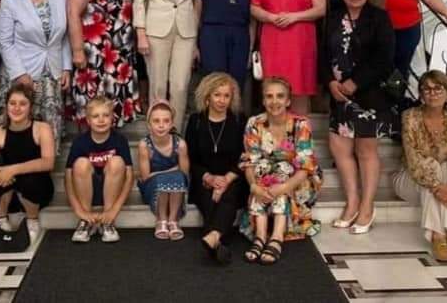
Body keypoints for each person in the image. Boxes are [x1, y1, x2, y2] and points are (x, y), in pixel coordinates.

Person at [320, 0, 395, 235]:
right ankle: (352, 203)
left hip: (368, 95)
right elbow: (322, 54)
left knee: (365, 152)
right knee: (340, 149)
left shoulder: (379, 18)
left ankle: (366, 206)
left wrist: (356, 82)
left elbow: (385, 58)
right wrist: (330, 82)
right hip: (338, 96)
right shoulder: (332, 18)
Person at [241, 77, 322, 264]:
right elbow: (250, 162)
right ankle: (261, 236)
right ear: (263, 100)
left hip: (299, 180)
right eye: (269, 96)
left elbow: (305, 167)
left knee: (281, 170)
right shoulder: (254, 123)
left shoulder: (301, 124)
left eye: (280, 96)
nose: (274, 101)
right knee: (264, 170)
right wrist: (253, 186)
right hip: (265, 178)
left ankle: (276, 236)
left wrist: (283, 187)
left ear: (288, 101)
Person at [0, 0, 71, 153]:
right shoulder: (10, 2)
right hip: (21, 73)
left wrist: (66, 67)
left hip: (51, 74)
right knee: (19, 127)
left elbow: (63, 37)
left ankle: (45, 166)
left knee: (48, 128)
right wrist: (20, 73)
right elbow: (5, 41)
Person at [392, 70, 447, 265]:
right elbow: (414, 159)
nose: (432, 93)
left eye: (438, 89)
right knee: (433, 166)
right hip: (409, 179)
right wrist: (437, 187)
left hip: (441, 181)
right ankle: (437, 235)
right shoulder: (410, 117)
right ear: (420, 94)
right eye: (427, 89)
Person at [68, 0, 140, 127]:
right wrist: (77, 51)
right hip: (95, 52)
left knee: (115, 106)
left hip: (122, 51)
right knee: (94, 106)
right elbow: (73, 14)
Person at [134, 0, 200, 131]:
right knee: (158, 86)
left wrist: (196, 41)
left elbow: (193, 2)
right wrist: (141, 33)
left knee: (180, 86)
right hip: (156, 29)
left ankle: (176, 135)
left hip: (185, 32)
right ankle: (156, 135)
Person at [0, 82, 55, 243]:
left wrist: (12, 170)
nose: (17, 108)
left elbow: (48, 163)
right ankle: (1, 218)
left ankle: (32, 220)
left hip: (37, 189)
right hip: (10, 188)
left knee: (30, 179)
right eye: (12, 103)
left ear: (30, 107)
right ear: (6, 106)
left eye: (22, 104)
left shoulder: (42, 128)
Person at [184, 72, 247, 265]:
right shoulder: (195, 121)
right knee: (209, 198)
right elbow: (191, 158)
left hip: (234, 177)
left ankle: (213, 236)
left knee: (228, 194)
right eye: (217, 95)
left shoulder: (239, 120)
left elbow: (245, 155)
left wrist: (227, 179)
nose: (222, 100)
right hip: (204, 178)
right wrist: (209, 178)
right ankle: (217, 240)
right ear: (207, 96)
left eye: (226, 95)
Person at [65, 96, 134, 243]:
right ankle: (86, 222)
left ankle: (107, 222)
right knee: (81, 163)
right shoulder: (80, 142)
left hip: (112, 192)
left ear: (112, 118)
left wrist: (114, 210)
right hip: (86, 192)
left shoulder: (119, 140)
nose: (101, 120)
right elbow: (68, 178)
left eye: (106, 115)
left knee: (117, 162)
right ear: (88, 120)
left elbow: (129, 177)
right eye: (96, 116)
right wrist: (79, 211)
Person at [137, 100, 190, 241]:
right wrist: (172, 170)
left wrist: (169, 173)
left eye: (166, 121)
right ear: (149, 124)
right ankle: (161, 219)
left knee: (178, 178)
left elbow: (184, 174)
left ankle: (173, 219)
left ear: (172, 124)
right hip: (152, 188)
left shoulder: (180, 144)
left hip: (176, 188)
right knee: (166, 179)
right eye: (156, 121)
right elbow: (146, 176)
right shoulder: (145, 145)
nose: (161, 125)